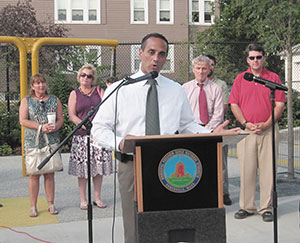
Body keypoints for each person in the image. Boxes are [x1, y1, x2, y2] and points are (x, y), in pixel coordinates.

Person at [91, 33, 240, 243]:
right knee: (135, 230)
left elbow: (187, 125)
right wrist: (120, 142)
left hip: (167, 165)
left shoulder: (175, 89)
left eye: (162, 54)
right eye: (151, 52)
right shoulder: (119, 89)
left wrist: (209, 134)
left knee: (164, 224)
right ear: (140, 53)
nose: (156, 59)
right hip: (132, 165)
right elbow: (98, 128)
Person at [228, 43, 286, 222]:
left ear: (264, 58)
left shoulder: (273, 78)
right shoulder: (241, 78)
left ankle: (266, 207)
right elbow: (234, 103)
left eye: (258, 57)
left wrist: (267, 123)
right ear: (247, 59)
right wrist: (245, 123)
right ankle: (247, 206)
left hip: (268, 130)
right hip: (247, 131)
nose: (255, 60)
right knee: (247, 170)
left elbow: (279, 104)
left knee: (268, 169)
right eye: (252, 57)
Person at [68, 64, 113, 210]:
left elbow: (107, 109)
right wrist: (84, 126)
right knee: (83, 170)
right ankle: (83, 199)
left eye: (89, 76)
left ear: (93, 79)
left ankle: (97, 197)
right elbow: (72, 115)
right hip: (81, 135)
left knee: (97, 168)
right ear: (79, 77)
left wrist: (97, 128)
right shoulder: (74, 93)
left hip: (98, 135)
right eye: (83, 75)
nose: (85, 78)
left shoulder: (99, 91)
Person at [19, 73, 64, 217]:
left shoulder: (54, 100)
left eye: (43, 82)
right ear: (32, 86)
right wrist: (40, 126)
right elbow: (23, 120)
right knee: (34, 174)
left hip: (51, 140)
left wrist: (54, 127)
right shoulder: (26, 101)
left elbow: (60, 119)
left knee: (50, 173)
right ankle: (33, 206)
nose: (41, 85)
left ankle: (51, 203)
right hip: (34, 141)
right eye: (37, 83)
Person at [205, 54, 232, 206]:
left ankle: (224, 192)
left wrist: (210, 124)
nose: (209, 67)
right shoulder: (192, 85)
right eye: (207, 64)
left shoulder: (220, 85)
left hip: (218, 127)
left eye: (212, 64)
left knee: (221, 163)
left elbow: (223, 107)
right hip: (199, 128)